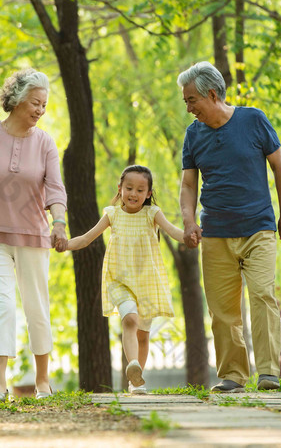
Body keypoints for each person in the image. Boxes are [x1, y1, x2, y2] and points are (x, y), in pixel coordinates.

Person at [177, 61, 281, 393]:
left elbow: (279, 166)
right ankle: (233, 375)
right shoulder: (193, 134)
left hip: (258, 228)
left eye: (191, 100)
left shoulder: (253, 120)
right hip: (215, 232)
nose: (188, 108)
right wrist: (189, 221)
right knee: (222, 309)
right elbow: (188, 185)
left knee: (262, 295)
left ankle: (269, 372)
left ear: (212, 94)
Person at [0, 68, 68, 402]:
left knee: (36, 306)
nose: (40, 110)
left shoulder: (45, 143)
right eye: (35, 102)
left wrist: (59, 223)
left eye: (44, 105)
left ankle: (43, 381)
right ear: (17, 99)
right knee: (2, 305)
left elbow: (55, 189)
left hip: (33, 235)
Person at [60, 165, 186, 394]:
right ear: (120, 189)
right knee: (130, 320)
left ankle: (136, 380)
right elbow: (87, 238)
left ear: (148, 193)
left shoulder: (152, 213)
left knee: (143, 335)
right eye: (129, 188)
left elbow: (173, 231)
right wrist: (65, 244)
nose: (134, 194)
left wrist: (191, 236)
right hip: (119, 279)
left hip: (147, 281)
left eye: (140, 190)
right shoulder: (112, 214)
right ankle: (133, 364)